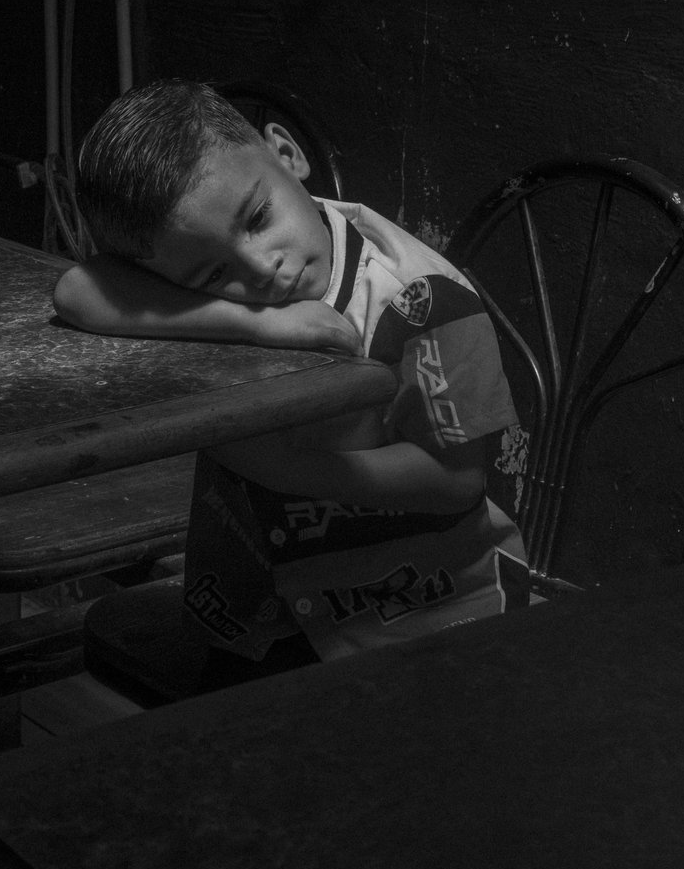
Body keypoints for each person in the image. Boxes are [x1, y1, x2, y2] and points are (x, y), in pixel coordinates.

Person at [55, 79, 525, 667]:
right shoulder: (235, 286)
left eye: (257, 218)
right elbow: (77, 291)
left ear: (286, 154)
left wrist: (285, 470)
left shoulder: (423, 299)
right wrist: (263, 326)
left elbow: (457, 481)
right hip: (256, 612)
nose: (260, 269)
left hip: (417, 615)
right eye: (210, 274)